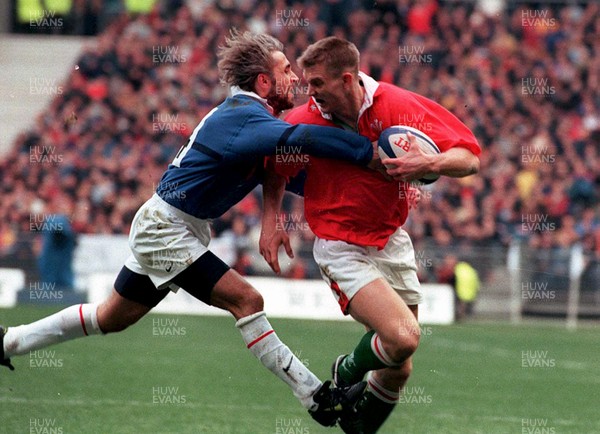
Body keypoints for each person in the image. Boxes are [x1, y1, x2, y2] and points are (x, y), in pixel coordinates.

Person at [1, 30, 377, 427]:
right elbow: (299, 138)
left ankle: (9, 341)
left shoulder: (251, 118)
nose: (295, 79)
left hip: (176, 226)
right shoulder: (243, 116)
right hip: (165, 229)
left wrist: (281, 216)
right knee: (247, 301)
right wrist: (365, 152)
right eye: (286, 70)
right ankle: (317, 397)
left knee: (110, 318)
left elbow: (279, 166)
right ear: (263, 83)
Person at [260, 37, 481, 433]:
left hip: (391, 240)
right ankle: (345, 370)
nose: (309, 92)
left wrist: (429, 161)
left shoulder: (397, 106)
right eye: (307, 83)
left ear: (348, 79)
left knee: (399, 368)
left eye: (317, 84)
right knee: (403, 338)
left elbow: (469, 158)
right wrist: (271, 221)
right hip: (340, 245)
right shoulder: (303, 120)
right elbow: (273, 164)